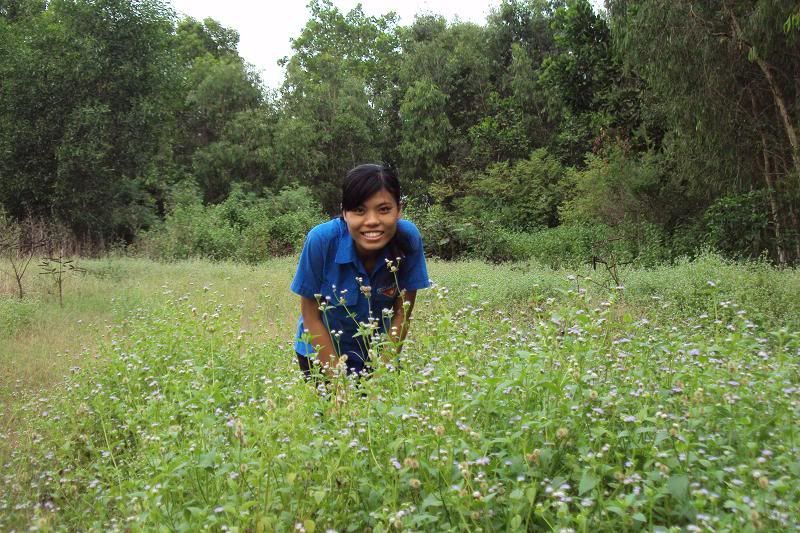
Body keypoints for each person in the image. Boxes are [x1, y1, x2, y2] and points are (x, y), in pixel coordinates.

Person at [290, 163, 430, 379]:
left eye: (384, 209)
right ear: (344, 212)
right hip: (320, 351)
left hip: (375, 353)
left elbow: (402, 313)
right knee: (333, 411)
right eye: (359, 210)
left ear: (399, 209)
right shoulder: (321, 240)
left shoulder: (408, 239)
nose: (372, 221)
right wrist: (338, 383)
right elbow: (311, 315)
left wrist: (382, 374)